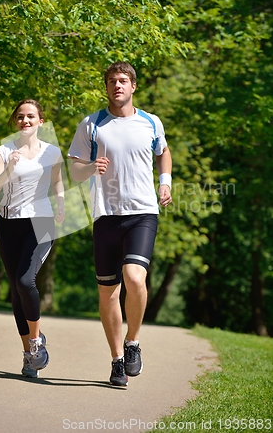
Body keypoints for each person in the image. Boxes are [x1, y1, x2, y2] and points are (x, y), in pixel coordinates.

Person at [68, 62, 172, 387]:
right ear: (106, 87)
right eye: (112, 81)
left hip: (143, 212)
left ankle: (133, 342)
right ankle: (116, 361)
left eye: (123, 80)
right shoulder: (92, 124)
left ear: (133, 86)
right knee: (108, 293)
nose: (117, 85)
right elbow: (73, 168)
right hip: (106, 214)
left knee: (134, 276)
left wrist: (165, 181)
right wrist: (90, 168)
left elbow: (163, 152)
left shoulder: (150, 122)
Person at [0, 99, 64, 378]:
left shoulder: (52, 152)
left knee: (24, 280)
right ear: (15, 121)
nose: (25, 121)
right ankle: (30, 354)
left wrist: (61, 203)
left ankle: (36, 341)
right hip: (8, 224)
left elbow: (57, 182)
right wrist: (8, 169)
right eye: (20, 117)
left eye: (31, 116)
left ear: (41, 121)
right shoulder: (2, 152)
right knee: (16, 291)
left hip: (41, 222)